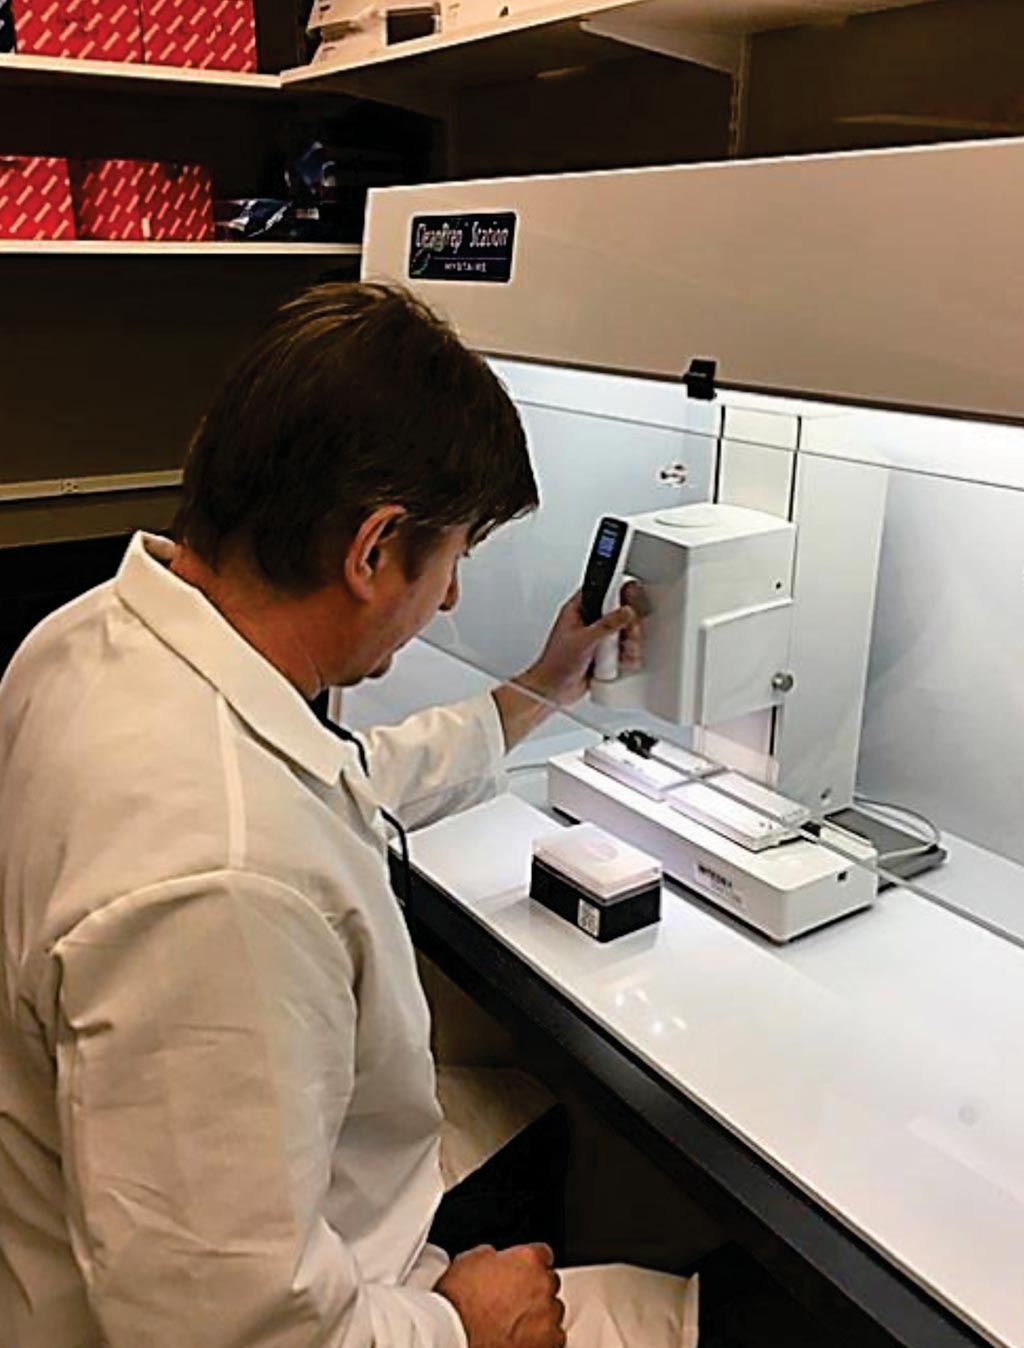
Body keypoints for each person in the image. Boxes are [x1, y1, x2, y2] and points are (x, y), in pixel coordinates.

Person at [0, 282, 643, 1348]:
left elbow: (331, 778)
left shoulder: (91, 638)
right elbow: (224, 1334)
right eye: (450, 561)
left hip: (170, 1215)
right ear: (373, 548)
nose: (446, 599)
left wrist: (536, 692)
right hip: (230, 1306)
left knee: (526, 1112)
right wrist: (459, 1324)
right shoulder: (221, 882)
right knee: (692, 1305)